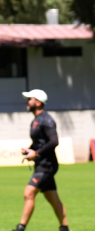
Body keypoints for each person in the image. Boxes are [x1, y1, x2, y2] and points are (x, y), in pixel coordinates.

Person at [12, 89, 69, 231]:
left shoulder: (46, 120)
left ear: (38, 102)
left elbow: (54, 141)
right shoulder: (36, 120)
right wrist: (29, 150)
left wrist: (36, 153)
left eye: (29, 99)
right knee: (52, 197)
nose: (27, 101)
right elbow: (40, 143)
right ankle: (65, 228)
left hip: (47, 165)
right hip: (41, 165)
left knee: (28, 192)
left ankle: (20, 228)